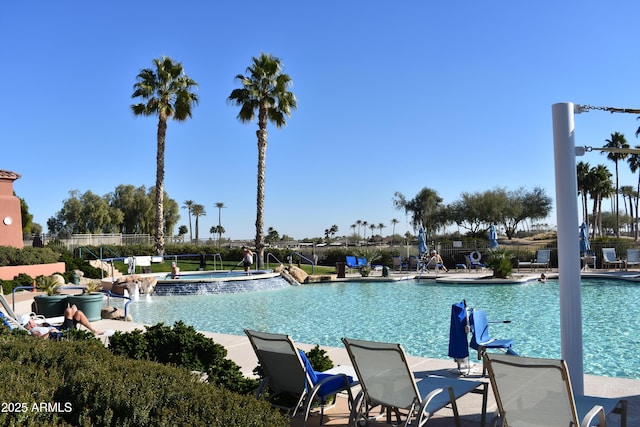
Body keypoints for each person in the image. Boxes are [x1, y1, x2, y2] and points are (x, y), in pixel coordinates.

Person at [20, 304, 103, 338]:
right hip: (64, 333)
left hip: (62, 328)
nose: (33, 320)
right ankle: (73, 311)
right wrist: (49, 333)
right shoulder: (34, 331)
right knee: (69, 311)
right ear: (30, 323)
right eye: (32, 319)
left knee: (78, 313)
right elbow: (40, 339)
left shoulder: (37, 326)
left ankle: (94, 330)